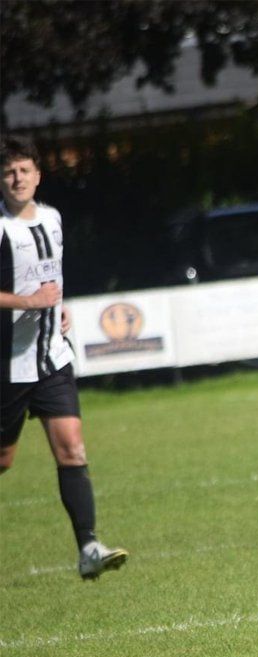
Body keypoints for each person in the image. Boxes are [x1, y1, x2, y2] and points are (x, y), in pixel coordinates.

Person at [1, 137, 129, 580]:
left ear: (38, 175)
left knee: (72, 447)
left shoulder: (53, 219)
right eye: (8, 173)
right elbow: (29, 292)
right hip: (8, 366)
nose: (17, 179)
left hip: (52, 356)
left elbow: (50, 278)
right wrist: (28, 302)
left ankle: (89, 547)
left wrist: (57, 308)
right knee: (4, 460)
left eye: (24, 170)